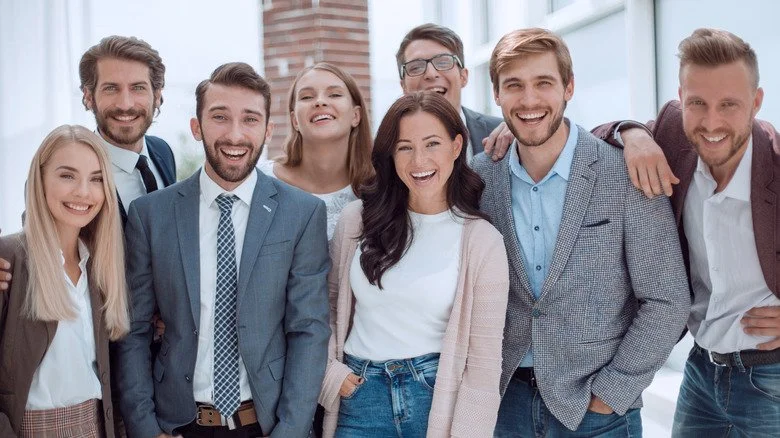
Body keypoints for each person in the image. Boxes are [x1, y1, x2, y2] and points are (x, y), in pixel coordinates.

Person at [472, 28, 691, 436]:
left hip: (599, 412)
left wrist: (613, 392)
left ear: (569, 87)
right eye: (514, 86)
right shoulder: (478, 179)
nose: (530, 99)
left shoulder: (625, 172)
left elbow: (667, 298)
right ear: (497, 95)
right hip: (503, 407)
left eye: (544, 83)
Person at [113, 62, 331, 438]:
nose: (234, 135)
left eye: (249, 119)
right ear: (196, 127)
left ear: (268, 129)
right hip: (179, 424)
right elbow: (133, 331)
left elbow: (308, 331)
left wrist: (291, 431)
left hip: (266, 424)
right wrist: (145, 429)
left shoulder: (303, 212)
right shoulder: (151, 215)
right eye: (219, 117)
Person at [593, 28, 780, 437]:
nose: (712, 122)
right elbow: (593, 139)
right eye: (698, 103)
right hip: (700, 371)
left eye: (729, 105)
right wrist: (632, 134)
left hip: (773, 378)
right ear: (681, 98)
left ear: (756, 102)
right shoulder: (672, 133)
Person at [319, 91, 509, 437]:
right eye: (405, 147)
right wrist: (334, 376)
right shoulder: (356, 222)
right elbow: (326, 311)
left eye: (432, 144)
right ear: (391, 154)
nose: (418, 160)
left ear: (456, 147)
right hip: (360, 397)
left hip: (436, 399)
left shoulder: (482, 241)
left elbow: (483, 365)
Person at [0, 125, 129, 437]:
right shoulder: (9, 259)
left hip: (99, 427)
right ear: (40, 180)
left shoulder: (103, 266)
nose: (83, 191)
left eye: (96, 178)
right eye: (67, 175)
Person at [258, 62, 373, 239]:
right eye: (306, 97)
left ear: (355, 115)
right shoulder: (261, 182)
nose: (320, 102)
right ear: (295, 120)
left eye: (334, 94)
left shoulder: (379, 189)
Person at [396, 24, 507, 160]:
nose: (431, 74)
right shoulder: (388, 145)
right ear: (404, 86)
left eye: (443, 62)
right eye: (416, 67)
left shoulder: (503, 134)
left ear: (463, 76)